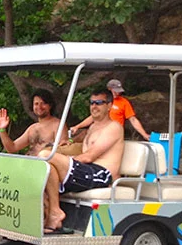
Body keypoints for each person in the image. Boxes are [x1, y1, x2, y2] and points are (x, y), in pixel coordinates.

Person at [42, 87, 124, 232]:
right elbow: (80, 148)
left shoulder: (114, 127)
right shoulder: (92, 127)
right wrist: (67, 146)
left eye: (99, 103)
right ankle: (54, 213)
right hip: (88, 170)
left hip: (102, 174)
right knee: (48, 167)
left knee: (45, 156)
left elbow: (89, 156)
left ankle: (55, 212)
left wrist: (66, 160)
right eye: (92, 102)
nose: (94, 106)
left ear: (109, 106)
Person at [70, 78, 150, 141]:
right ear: (109, 89)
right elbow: (92, 117)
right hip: (99, 131)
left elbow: (133, 119)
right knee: (85, 134)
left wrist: (144, 134)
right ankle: (69, 142)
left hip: (114, 133)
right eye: (115, 91)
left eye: (119, 91)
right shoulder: (101, 101)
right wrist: (77, 126)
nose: (117, 93)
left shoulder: (124, 102)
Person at [0, 89, 66, 155]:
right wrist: (2, 130)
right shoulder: (32, 128)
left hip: (46, 164)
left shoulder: (58, 125)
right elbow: (12, 148)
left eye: (43, 103)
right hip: (29, 162)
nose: (39, 107)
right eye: (36, 104)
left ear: (50, 105)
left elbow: (63, 150)